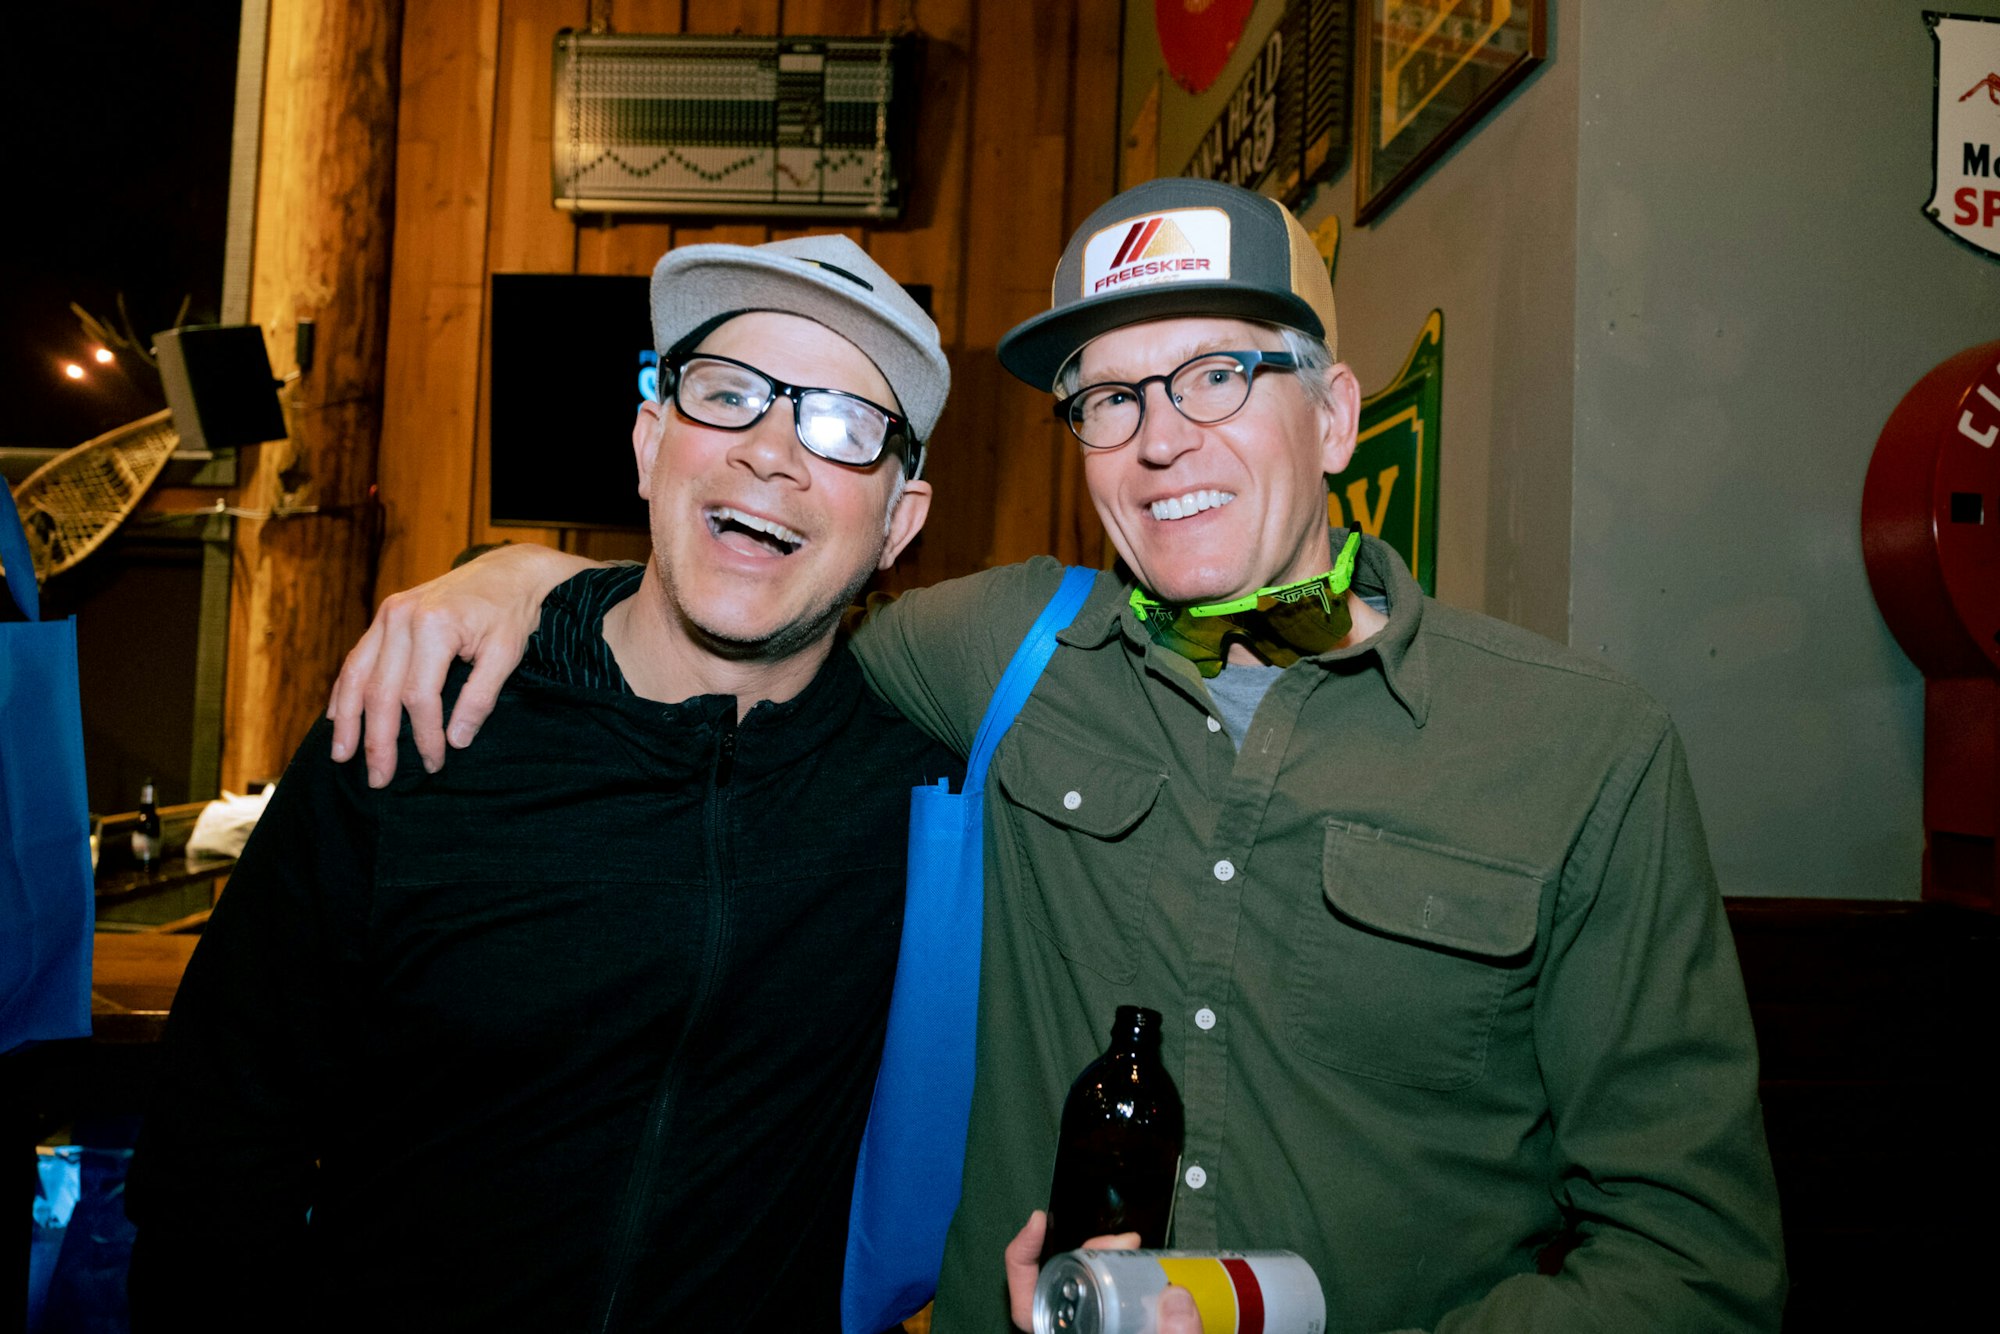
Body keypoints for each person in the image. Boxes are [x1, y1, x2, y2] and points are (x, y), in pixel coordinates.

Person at [328, 179, 1787, 1332]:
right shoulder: (1002, 649)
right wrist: (526, 579)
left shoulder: (1581, 750)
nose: (1160, 438)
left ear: (1334, 415)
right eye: (1109, 396)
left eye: (1216, 374)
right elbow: (754, 604)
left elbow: (1694, 1262)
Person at [124, 235, 963, 1332]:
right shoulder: (416, 717)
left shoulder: (925, 792)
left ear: (900, 522)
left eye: (845, 426)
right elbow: (217, 1144)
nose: (770, 451)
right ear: (649, 443)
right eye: (728, 395)